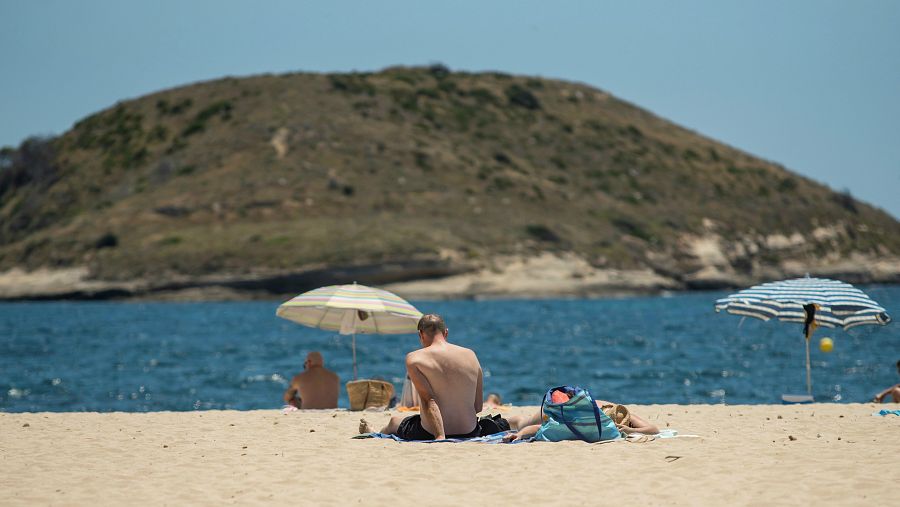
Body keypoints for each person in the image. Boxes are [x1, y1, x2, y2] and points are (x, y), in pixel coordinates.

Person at [369, 313, 508, 440]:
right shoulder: (470, 354)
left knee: (394, 422)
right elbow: (478, 407)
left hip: (431, 432)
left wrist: (440, 436)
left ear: (420, 334)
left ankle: (374, 431)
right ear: (446, 332)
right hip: (470, 431)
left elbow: (428, 400)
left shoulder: (414, 358)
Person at [503, 393, 659, 442]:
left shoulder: (624, 414)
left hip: (566, 408)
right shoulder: (595, 413)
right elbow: (536, 428)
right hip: (554, 410)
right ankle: (509, 420)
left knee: (525, 424)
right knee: (523, 423)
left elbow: (654, 429)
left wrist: (629, 428)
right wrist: (520, 435)